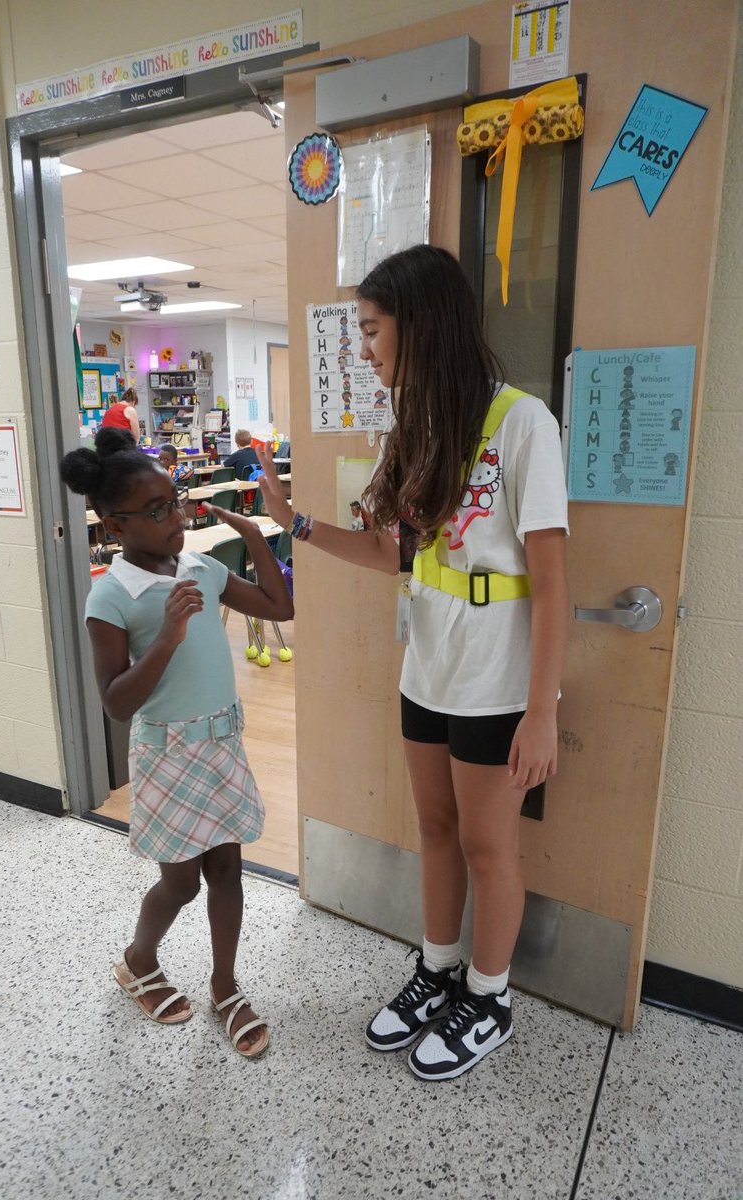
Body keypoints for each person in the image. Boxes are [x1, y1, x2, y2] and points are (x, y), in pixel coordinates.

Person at [255, 245, 568, 1082]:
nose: (364, 348)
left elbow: (554, 585)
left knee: (487, 845)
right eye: (360, 332)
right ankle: (438, 970)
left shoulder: (521, 423)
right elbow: (397, 554)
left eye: (371, 330)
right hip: (427, 668)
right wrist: (300, 526)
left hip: (497, 678)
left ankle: (490, 995)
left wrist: (543, 711)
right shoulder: (418, 427)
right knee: (434, 830)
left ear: (418, 326)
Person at [59, 427, 293, 1056]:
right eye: (158, 511)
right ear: (115, 526)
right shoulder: (112, 594)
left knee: (228, 870)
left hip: (221, 743)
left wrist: (252, 537)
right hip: (166, 752)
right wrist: (165, 635)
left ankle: (225, 983)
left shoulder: (200, 567)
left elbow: (279, 606)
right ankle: (139, 959)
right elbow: (115, 702)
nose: (177, 518)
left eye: (177, 501)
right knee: (183, 881)